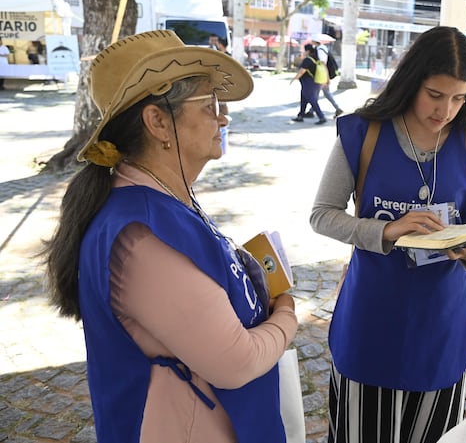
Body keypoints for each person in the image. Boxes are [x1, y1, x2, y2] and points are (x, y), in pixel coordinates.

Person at [42, 30, 298, 442]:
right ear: (158, 121)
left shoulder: (160, 203)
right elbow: (236, 362)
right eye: (211, 104)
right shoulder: (142, 238)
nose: (224, 117)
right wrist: (286, 314)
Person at [310, 25, 466, 443]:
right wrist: (387, 231)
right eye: (435, 94)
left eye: (458, 98)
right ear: (411, 80)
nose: (445, 109)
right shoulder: (362, 133)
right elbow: (322, 215)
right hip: (372, 319)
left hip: (442, 326)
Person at [290, 43, 326, 125]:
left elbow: (302, 71)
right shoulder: (316, 59)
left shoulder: (308, 60)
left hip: (308, 83)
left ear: (308, 51)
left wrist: (294, 78)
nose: (303, 52)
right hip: (314, 82)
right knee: (303, 100)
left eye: (304, 50)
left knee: (312, 100)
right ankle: (300, 116)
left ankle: (321, 117)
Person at [309, 38, 344, 118]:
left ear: (315, 41)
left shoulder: (320, 49)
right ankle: (311, 110)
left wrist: (327, 78)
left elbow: (323, 64)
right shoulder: (321, 48)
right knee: (318, 93)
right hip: (322, 75)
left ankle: (338, 108)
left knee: (325, 93)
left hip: (322, 75)